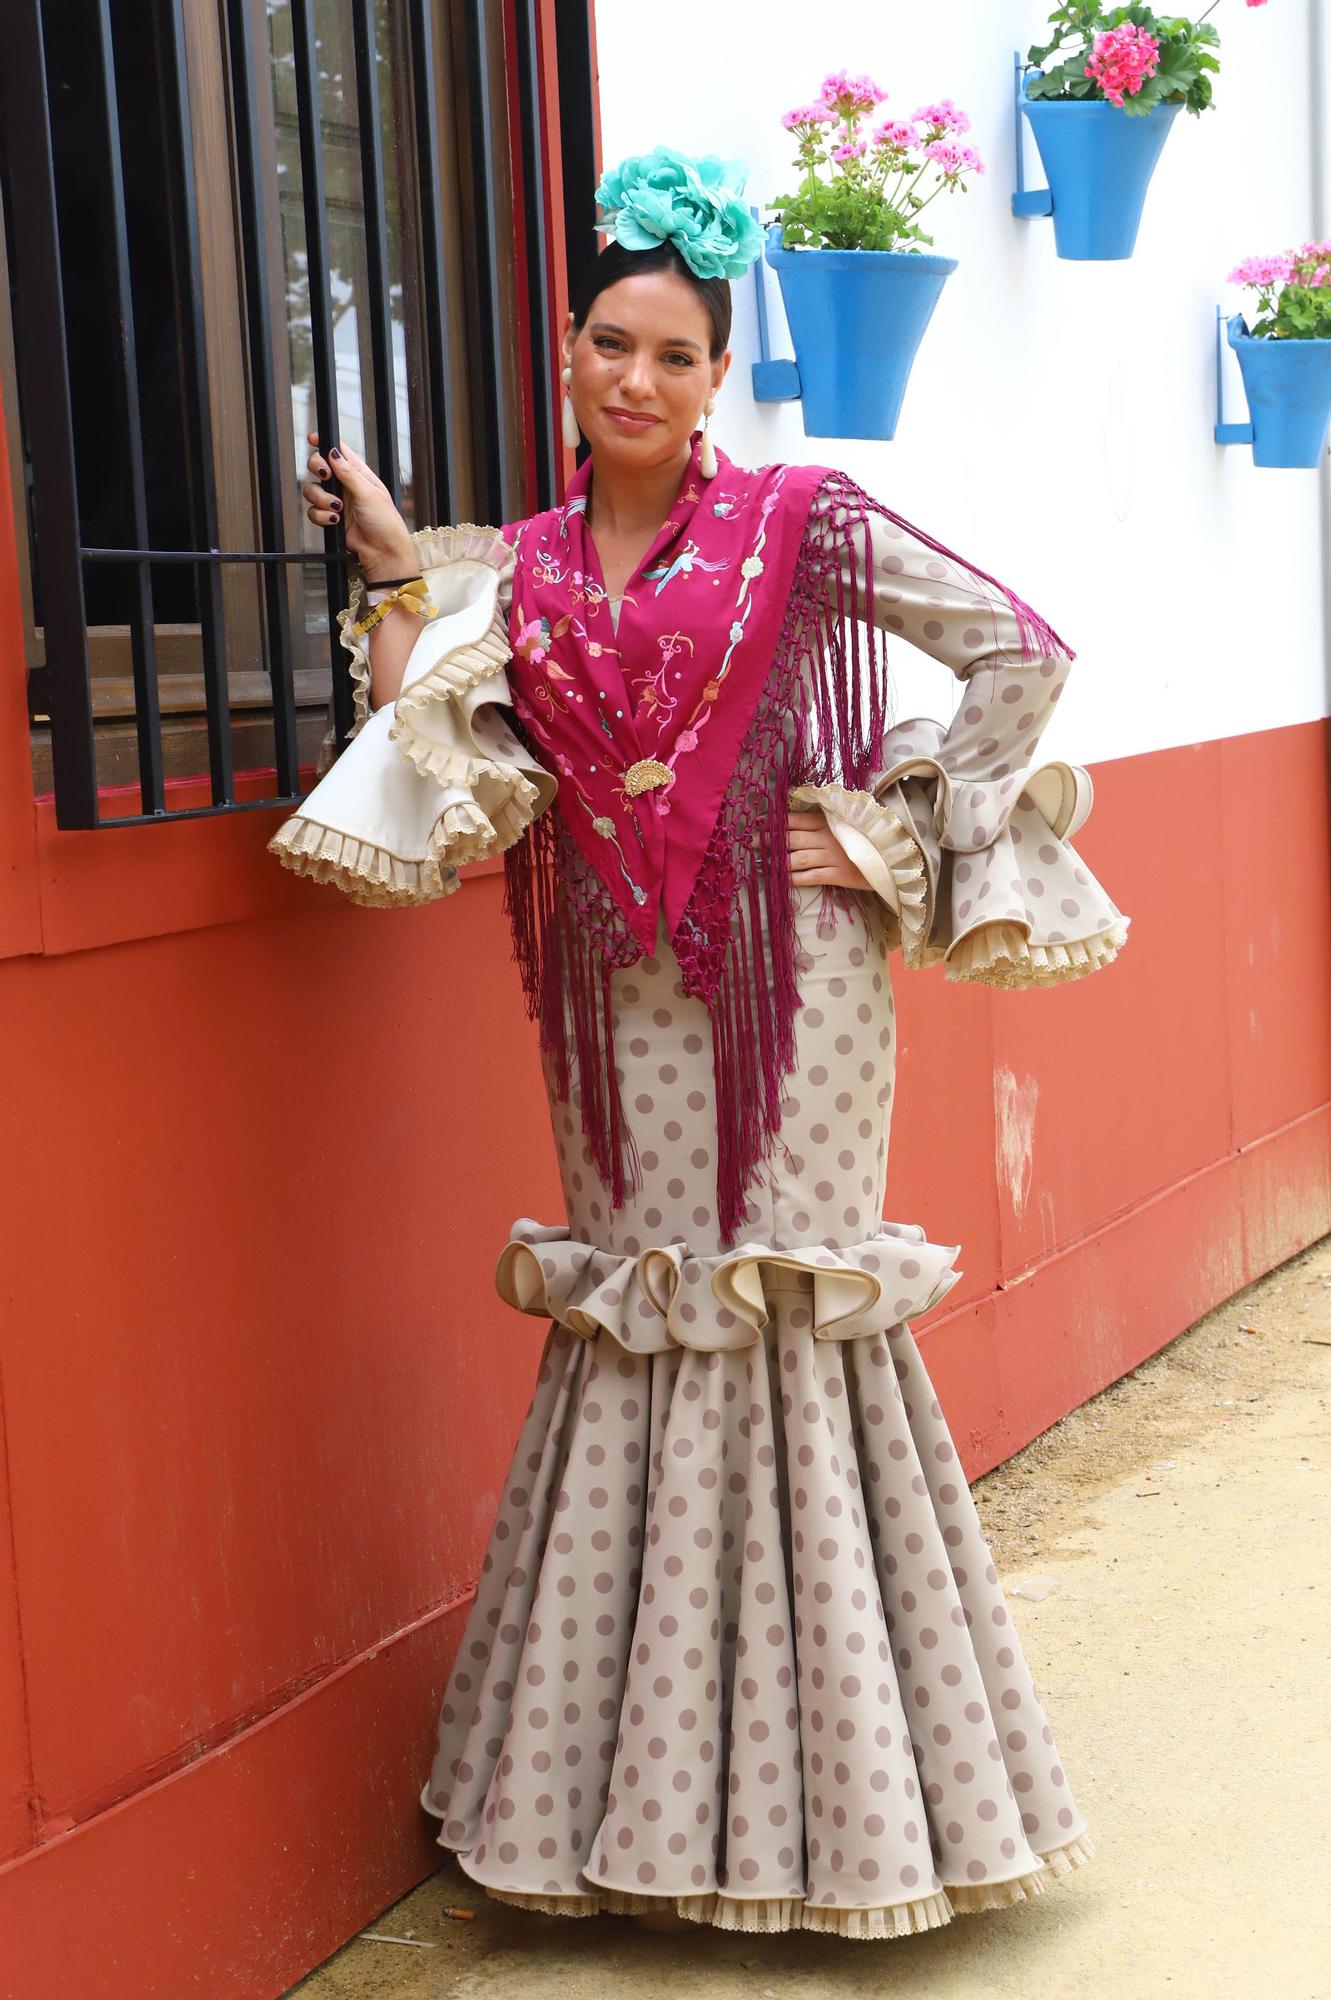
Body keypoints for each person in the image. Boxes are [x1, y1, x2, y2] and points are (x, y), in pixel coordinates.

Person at [271, 147, 1128, 1940]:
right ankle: (643, 1801)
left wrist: (890, 832)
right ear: (571, 361)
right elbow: (436, 697)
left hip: (794, 995)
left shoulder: (803, 520)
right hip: (610, 995)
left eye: (675, 353)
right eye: (610, 346)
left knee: (777, 1303)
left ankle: (848, 1824)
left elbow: (1019, 654)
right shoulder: (527, 567)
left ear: (719, 372)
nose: (639, 381)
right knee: (646, 1307)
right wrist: (386, 558)